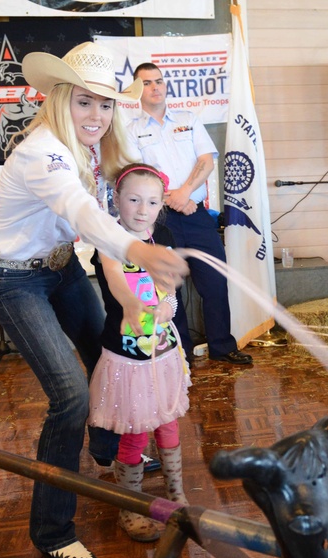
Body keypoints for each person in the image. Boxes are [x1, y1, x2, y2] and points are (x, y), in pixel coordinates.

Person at [0, 43, 188, 558]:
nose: (97, 116)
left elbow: (122, 189)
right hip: (16, 280)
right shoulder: (42, 152)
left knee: (107, 359)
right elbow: (80, 210)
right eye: (84, 103)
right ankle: (53, 531)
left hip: (61, 268)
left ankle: (107, 453)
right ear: (58, 100)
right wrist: (138, 250)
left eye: (106, 105)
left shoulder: (93, 148)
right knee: (70, 398)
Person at [87, 164, 192, 542]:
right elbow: (117, 280)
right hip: (128, 358)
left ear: (161, 204)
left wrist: (167, 306)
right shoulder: (110, 241)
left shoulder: (160, 235)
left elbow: (169, 290)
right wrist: (133, 305)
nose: (142, 209)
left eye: (151, 201)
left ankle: (176, 493)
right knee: (135, 431)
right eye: (133, 199)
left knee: (167, 421)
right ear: (116, 200)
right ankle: (130, 505)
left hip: (163, 353)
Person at [126, 62, 252, 365]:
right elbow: (138, 176)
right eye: (147, 83)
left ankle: (222, 346)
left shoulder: (188, 119)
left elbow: (207, 162)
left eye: (159, 81)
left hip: (196, 215)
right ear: (137, 91)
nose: (155, 87)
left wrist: (184, 194)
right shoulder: (131, 132)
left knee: (215, 282)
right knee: (169, 288)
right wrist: (174, 198)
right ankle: (178, 354)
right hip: (160, 221)